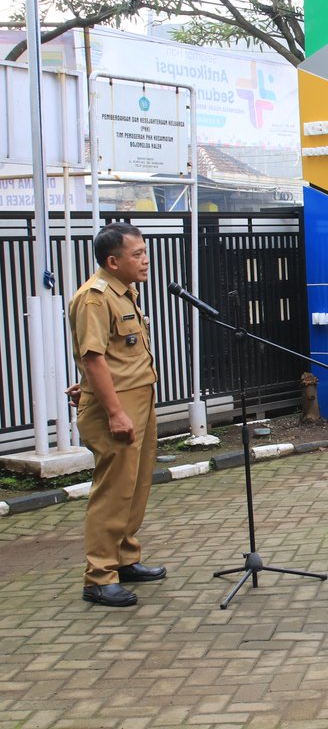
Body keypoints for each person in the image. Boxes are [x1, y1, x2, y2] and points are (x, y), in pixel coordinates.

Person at [68, 222, 165, 607]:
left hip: (138, 399)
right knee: (113, 491)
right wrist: (113, 411)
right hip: (118, 406)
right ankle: (99, 576)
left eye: (144, 252)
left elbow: (112, 354)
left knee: (136, 485)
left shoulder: (126, 293)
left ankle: (124, 558)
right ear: (113, 261)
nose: (145, 260)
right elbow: (92, 358)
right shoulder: (95, 298)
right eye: (137, 254)